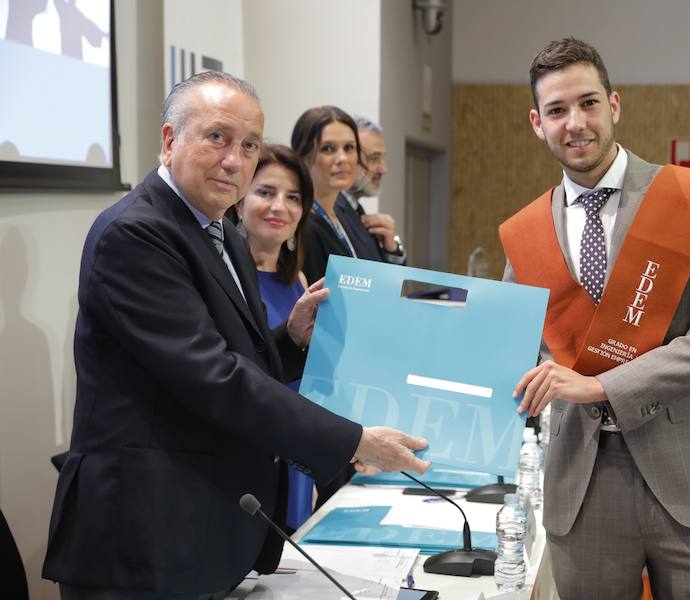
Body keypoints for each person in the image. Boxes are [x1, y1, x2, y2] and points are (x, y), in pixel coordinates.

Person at [42, 71, 429, 599]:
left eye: (249, 145)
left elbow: (232, 358)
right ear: (170, 139)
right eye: (217, 137)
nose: (235, 160)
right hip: (142, 541)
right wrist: (355, 440)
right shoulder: (136, 233)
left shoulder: (220, 228)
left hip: (201, 528)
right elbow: (214, 378)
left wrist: (290, 342)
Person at [502, 39, 690, 599]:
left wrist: (599, 384)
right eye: (558, 110)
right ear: (537, 123)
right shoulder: (524, 237)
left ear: (614, 105)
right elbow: (504, 349)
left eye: (588, 103)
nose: (576, 123)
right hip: (583, 483)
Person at [233, 143, 315, 530]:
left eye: (293, 197)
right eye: (265, 192)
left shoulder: (297, 281)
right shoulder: (227, 279)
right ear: (238, 201)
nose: (279, 206)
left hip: (298, 450)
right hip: (251, 459)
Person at [290, 107, 404, 283]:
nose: (342, 158)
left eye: (349, 148)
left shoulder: (347, 214)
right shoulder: (300, 224)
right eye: (328, 149)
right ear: (303, 156)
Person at [340, 115, 406, 265]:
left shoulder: (355, 209)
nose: (384, 169)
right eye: (375, 158)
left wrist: (392, 248)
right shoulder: (331, 212)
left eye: (383, 159)